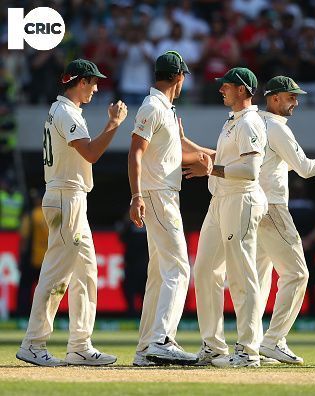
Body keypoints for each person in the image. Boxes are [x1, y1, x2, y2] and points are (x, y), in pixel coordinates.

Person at [16, 59, 127, 367]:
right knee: (57, 272)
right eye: (92, 83)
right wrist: (114, 124)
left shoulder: (62, 111)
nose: (96, 88)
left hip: (69, 197)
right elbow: (91, 153)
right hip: (67, 198)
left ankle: (80, 345)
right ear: (79, 82)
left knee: (87, 273)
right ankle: (33, 343)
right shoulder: (66, 112)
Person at [256, 76, 315, 364]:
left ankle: (249, 343)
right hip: (272, 207)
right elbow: (306, 169)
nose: (296, 102)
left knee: (258, 280)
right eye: (290, 97)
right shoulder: (276, 127)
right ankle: (273, 341)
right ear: (273, 99)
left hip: (251, 207)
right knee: (298, 274)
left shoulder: (254, 122)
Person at [128, 51, 213, 367]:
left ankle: (145, 349)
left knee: (159, 274)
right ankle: (162, 340)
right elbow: (135, 152)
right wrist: (136, 196)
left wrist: (223, 156)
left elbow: (179, 152)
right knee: (178, 268)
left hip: (160, 192)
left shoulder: (165, 108)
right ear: (179, 77)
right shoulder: (152, 107)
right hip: (158, 194)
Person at [184, 67, 267, 368]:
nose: (221, 90)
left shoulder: (250, 123)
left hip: (241, 199)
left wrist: (211, 170)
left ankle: (248, 350)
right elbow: (222, 160)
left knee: (242, 275)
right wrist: (189, 145)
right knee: (205, 270)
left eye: (227, 86)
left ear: (243, 90)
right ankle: (213, 347)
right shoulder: (232, 122)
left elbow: (250, 171)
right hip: (220, 200)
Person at [288, 178, 315, 316]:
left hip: (294, 245)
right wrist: (309, 239)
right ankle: (312, 310)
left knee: (294, 276)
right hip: (307, 244)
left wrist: (300, 240)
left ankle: (296, 312)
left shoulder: (287, 206)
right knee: (307, 275)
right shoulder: (311, 205)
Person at [17, 189, 47, 317]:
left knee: (25, 288)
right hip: (47, 259)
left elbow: (24, 238)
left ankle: (23, 314)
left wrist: (21, 258)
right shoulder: (53, 215)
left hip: (32, 259)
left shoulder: (31, 216)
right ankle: (43, 315)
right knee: (45, 291)